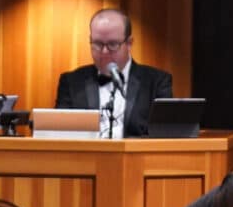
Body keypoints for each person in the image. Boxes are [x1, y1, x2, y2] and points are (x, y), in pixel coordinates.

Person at [54, 8, 172, 138]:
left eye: (113, 44)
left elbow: (164, 135)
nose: (104, 52)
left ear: (129, 43)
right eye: (97, 44)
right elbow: (60, 133)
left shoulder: (157, 82)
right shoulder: (71, 82)